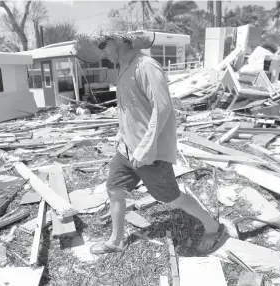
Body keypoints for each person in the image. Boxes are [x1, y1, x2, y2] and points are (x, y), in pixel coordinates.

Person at [74, 19, 226, 255]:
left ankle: (212, 226)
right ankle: (116, 240)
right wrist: (120, 134)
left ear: (116, 40)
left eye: (104, 45)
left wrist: (145, 147)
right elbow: (129, 110)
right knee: (114, 188)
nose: (103, 52)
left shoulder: (146, 66)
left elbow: (162, 108)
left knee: (171, 198)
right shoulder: (123, 69)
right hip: (127, 150)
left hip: (149, 152)